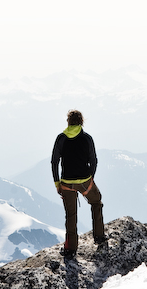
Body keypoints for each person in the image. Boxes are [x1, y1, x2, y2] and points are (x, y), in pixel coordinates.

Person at [51, 109, 106, 257]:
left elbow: (54, 161)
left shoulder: (61, 138)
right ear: (82, 122)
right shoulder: (87, 138)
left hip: (66, 183)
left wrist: (57, 183)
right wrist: (90, 179)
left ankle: (70, 249)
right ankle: (99, 237)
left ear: (68, 122)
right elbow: (93, 160)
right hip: (84, 181)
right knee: (96, 202)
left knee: (70, 215)